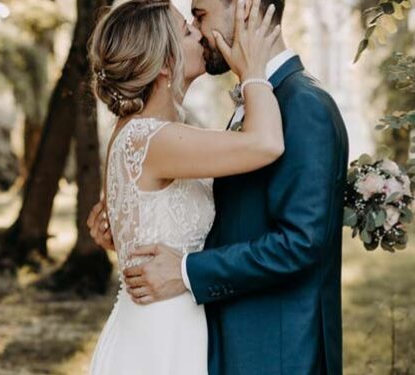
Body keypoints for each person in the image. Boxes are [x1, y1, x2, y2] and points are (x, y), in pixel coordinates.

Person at [88, 0, 350, 373]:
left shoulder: (303, 105)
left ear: (246, 8)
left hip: (271, 348)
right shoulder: (160, 133)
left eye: (199, 16)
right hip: (168, 335)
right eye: (188, 25)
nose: (197, 31)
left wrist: (184, 270)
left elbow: (301, 240)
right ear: (163, 62)